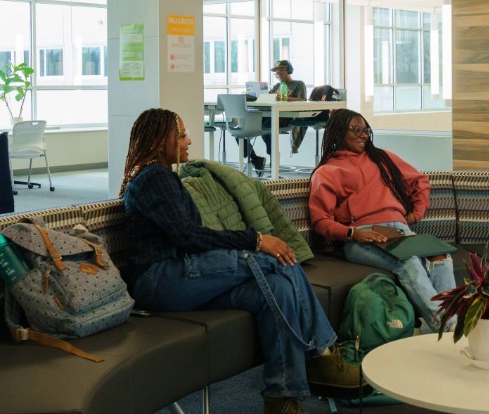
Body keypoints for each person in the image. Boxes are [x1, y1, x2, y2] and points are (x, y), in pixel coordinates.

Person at [119, 109, 349, 414]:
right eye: (183, 135)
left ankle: (281, 398)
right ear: (164, 140)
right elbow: (189, 237)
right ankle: (321, 353)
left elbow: (191, 237)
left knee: (277, 288)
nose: (189, 141)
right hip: (162, 278)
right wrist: (254, 239)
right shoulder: (154, 177)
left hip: (185, 276)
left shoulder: (162, 177)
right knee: (279, 260)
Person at [307, 109, 455, 330]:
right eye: (356, 129)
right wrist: (353, 233)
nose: (364, 135)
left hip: (399, 231)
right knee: (409, 262)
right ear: (337, 133)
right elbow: (321, 221)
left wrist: (416, 213)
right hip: (362, 237)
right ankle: (449, 327)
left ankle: (453, 321)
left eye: (366, 130)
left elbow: (420, 181)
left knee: (441, 259)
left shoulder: (382, 158)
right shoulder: (327, 172)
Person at [244, 60, 307, 174]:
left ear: (288, 70)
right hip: (269, 115)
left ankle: (273, 155)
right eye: (276, 73)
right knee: (243, 127)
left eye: (280, 72)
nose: (278, 76)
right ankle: (255, 158)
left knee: (267, 128)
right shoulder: (277, 86)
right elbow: (268, 97)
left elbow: (302, 99)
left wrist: (284, 97)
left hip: (285, 118)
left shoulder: (298, 84)